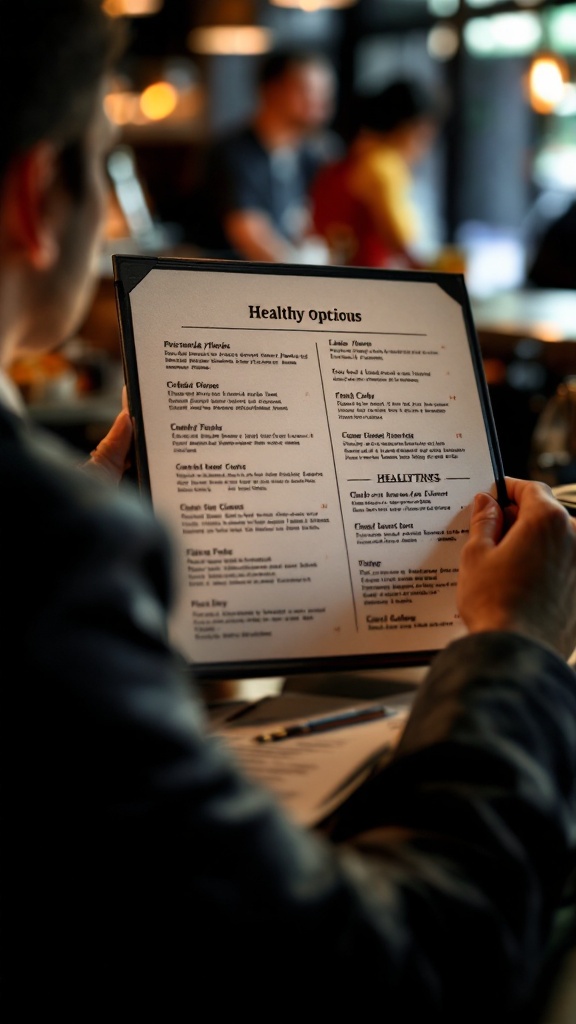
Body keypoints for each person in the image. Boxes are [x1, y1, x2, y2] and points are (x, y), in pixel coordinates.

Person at [3, 4, 576, 1021]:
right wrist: (511, 647)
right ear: (36, 198)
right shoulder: (43, 544)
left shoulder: (59, 542)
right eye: (104, 164)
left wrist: (112, 621)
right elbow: (404, 974)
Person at [185, 48, 339, 263]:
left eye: (325, 92)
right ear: (272, 90)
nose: (320, 102)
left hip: (286, 287)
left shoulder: (315, 155)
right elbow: (252, 238)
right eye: (307, 90)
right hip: (231, 285)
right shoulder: (234, 154)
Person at [311, 77, 443, 268]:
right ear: (409, 129)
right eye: (425, 138)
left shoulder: (349, 160)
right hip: (368, 281)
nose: (424, 149)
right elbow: (401, 241)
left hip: (333, 276)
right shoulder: (384, 166)